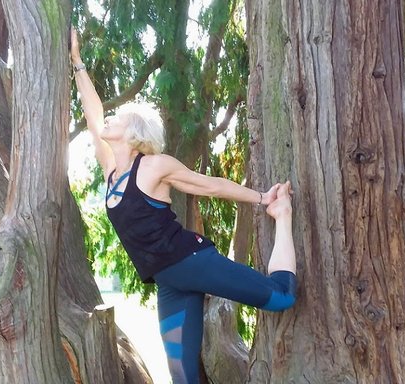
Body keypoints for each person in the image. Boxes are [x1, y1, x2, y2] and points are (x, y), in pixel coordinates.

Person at [70, 28, 297, 384]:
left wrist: (262, 199)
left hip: (192, 263)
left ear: (134, 134)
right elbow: (93, 112)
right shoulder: (112, 171)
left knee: (281, 298)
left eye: (119, 117)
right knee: (184, 377)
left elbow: (210, 186)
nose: (109, 119)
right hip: (170, 282)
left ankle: (283, 217)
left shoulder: (155, 166)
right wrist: (78, 62)